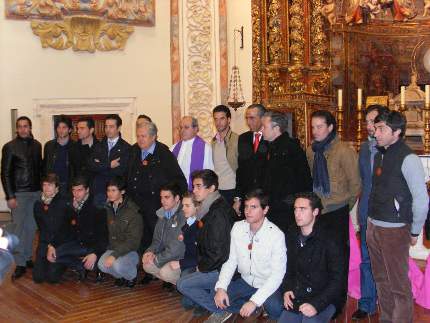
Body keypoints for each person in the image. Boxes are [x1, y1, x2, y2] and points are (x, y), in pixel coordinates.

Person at [367, 110, 428, 323]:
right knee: (381, 280)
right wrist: (369, 223)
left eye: (381, 128)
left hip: (394, 229)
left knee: (398, 285)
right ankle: (386, 319)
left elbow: (421, 200)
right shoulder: (379, 153)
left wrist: (414, 230)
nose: (376, 133)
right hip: (373, 225)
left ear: (397, 131)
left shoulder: (408, 158)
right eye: (375, 128)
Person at [204, 189, 286, 323]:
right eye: (246, 206)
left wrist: (254, 301)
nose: (248, 211)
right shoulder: (237, 227)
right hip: (246, 281)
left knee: (275, 308)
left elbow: (277, 276)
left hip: (266, 283)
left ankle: (255, 304)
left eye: (253, 207)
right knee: (217, 296)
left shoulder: (276, 235)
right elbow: (230, 261)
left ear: (265, 210)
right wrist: (221, 287)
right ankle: (252, 307)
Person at [306, 110, 360, 295]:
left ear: (330, 127)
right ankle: (321, 293)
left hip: (337, 209)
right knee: (320, 255)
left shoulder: (344, 150)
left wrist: (346, 205)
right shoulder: (311, 150)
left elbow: (355, 183)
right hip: (318, 210)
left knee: (338, 256)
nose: (315, 131)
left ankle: (338, 296)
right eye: (313, 127)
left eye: (319, 126)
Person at [279, 192, 346, 323]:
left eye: (302, 209)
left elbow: (338, 280)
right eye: (295, 209)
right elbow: (288, 268)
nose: (297, 214)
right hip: (299, 294)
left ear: (315, 211)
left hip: (325, 297)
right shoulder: (292, 233)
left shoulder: (330, 238)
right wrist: (286, 289)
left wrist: (317, 304)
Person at [176, 169, 236, 317]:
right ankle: (212, 295)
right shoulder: (208, 208)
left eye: (198, 186)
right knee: (187, 301)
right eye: (194, 186)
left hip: (222, 269)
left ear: (212, 188)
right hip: (211, 263)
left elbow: (219, 253)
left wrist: (200, 268)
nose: (194, 190)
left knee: (182, 285)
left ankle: (222, 311)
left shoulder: (218, 213)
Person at [352, 105, 389, 320]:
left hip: (388, 217)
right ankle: (367, 304)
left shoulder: (395, 148)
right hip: (367, 212)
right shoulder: (365, 148)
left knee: (387, 263)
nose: (368, 126)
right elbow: (363, 182)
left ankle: (388, 304)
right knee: (367, 260)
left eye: (372, 121)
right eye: (366, 122)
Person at [127, 121, 187, 253]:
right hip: (136, 205)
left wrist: (173, 202)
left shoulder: (164, 154)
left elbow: (179, 180)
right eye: (138, 136)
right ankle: (143, 267)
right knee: (140, 238)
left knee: (156, 239)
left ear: (153, 136)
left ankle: (155, 269)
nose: (140, 140)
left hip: (157, 205)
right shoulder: (133, 151)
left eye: (143, 136)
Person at [1, 116, 42, 279]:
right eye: (20, 127)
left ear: (30, 128)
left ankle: (26, 257)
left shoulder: (37, 145)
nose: (23, 129)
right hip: (19, 193)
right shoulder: (10, 147)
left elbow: (39, 169)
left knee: (31, 228)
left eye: (26, 126)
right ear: (17, 129)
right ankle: (19, 263)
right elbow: (5, 173)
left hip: (36, 193)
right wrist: (10, 196)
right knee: (18, 229)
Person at [46, 176, 109, 282]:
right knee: (53, 256)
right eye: (74, 190)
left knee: (92, 263)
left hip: (92, 245)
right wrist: (52, 245)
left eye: (80, 190)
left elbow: (103, 235)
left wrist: (94, 253)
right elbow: (63, 228)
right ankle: (80, 266)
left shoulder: (97, 206)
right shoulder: (71, 204)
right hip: (78, 243)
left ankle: (94, 265)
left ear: (87, 190)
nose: (76, 193)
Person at [262, 111, 312, 233]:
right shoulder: (269, 147)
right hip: (272, 206)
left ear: (276, 128)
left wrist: (289, 203)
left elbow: (303, 180)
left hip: (286, 210)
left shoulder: (291, 149)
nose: (261, 130)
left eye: (264, 127)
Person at [97, 177, 143, 288]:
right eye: (108, 190)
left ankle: (131, 276)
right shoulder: (108, 208)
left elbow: (134, 241)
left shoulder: (133, 211)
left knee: (117, 264)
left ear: (122, 191)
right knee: (101, 265)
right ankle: (121, 276)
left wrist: (114, 255)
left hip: (131, 250)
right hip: (114, 248)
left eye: (113, 190)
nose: (110, 194)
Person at [142, 182, 186, 289]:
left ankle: (185, 285)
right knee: (147, 265)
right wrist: (149, 252)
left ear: (176, 198)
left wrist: (157, 259)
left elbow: (177, 249)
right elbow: (157, 240)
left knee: (166, 272)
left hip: (181, 258)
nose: (162, 201)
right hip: (167, 256)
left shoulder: (183, 215)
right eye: (161, 197)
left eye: (167, 197)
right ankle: (170, 280)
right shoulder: (163, 214)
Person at [33, 174, 69, 284]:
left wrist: (53, 245)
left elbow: (65, 228)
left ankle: (65, 262)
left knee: (52, 278)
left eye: (50, 185)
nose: (46, 188)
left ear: (57, 188)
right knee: (38, 278)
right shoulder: (38, 204)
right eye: (44, 185)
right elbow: (41, 227)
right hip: (45, 241)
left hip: (60, 242)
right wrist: (46, 246)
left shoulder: (64, 203)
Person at [88, 114, 131, 207]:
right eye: (106, 126)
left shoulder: (126, 148)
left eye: (111, 127)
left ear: (119, 128)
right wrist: (109, 165)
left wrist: (100, 165)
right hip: (98, 191)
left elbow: (121, 170)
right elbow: (91, 166)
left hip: (116, 192)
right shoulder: (97, 145)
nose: (108, 129)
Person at [235, 104, 268, 204]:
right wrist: (238, 198)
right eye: (247, 118)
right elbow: (240, 170)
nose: (248, 122)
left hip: (265, 196)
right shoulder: (243, 138)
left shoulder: (270, 138)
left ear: (263, 118)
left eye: (252, 118)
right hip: (247, 194)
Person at [171, 116, 214, 191]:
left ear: (196, 129)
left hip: (195, 192)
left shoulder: (205, 148)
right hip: (177, 192)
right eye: (180, 128)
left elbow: (209, 173)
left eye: (186, 127)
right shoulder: (173, 148)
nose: (182, 130)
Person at [176, 192, 200, 309]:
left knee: (187, 303)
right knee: (186, 302)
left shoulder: (200, 226)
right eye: (183, 205)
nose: (183, 209)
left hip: (198, 265)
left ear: (197, 207)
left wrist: (181, 263)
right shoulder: (188, 223)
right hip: (188, 261)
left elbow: (200, 257)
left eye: (187, 205)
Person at [43, 115, 77, 196]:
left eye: (64, 127)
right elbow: (45, 166)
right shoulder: (49, 145)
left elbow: (77, 169)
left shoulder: (76, 146)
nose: (61, 130)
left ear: (70, 130)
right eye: (58, 127)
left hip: (68, 187)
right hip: (52, 187)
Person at [211, 105, 239, 205]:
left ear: (229, 119)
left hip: (232, 189)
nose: (218, 123)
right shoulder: (213, 142)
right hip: (217, 190)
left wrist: (238, 196)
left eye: (222, 118)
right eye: (216, 119)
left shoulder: (237, 140)